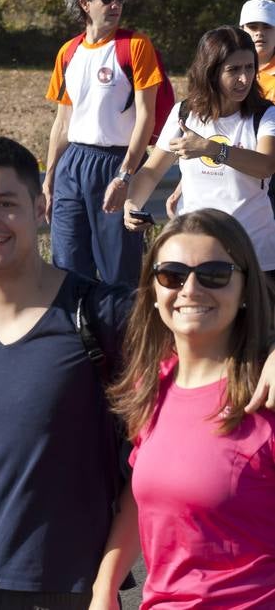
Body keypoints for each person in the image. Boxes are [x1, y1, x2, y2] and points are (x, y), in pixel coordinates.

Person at [91, 209, 275, 608]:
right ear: (154, 292)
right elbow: (147, 497)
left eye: (214, 274)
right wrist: (104, 591)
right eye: (172, 275)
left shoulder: (267, 393)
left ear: (245, 290)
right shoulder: (152, 384)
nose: (191, 288)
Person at [45, 0, 163, 288]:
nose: (116, 6)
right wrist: (51, 176)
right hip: (73, 164)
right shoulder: (68, 52)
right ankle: (75, 336)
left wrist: (125, 175)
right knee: (67, 268)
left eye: (120, 0)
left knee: (118, 274)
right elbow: (63, 121)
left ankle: (121, 337)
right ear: (84, 3)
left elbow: (146, 117)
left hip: (116, 162)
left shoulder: (135, 46)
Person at [124, 26, 275, 273]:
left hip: (255, 255)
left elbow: (266, 165)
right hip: (194, 253)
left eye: (249, 68)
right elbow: (151, 171)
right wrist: (132, 203)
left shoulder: (265, 115)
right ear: (211, 72)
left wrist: (210, 149)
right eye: (234, 70)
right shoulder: (184, 113)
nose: (245, 78)